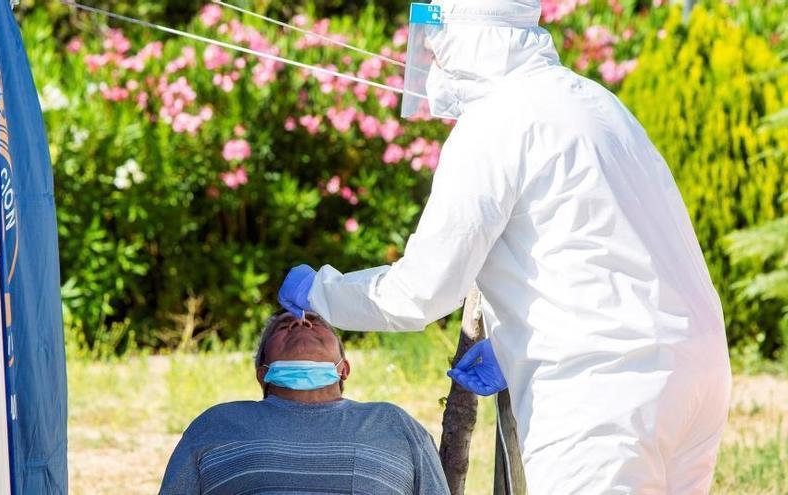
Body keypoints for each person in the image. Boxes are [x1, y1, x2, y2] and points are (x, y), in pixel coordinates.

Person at [277, 0, 732, 493]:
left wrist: (321, 293)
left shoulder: (495, 122)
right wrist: (514, 342)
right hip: (695, 374)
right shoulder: (593, 101)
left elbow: (419, 293)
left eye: (433, 33)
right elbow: (600, 248)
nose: (429, 50)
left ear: (461, 31)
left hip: (602, 390)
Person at [159, 311, 450, 495]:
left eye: (317, 322)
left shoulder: (393, 423)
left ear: (344, 368)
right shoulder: (217, 423)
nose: (301, 322)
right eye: (284, 326)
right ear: (262, 372)